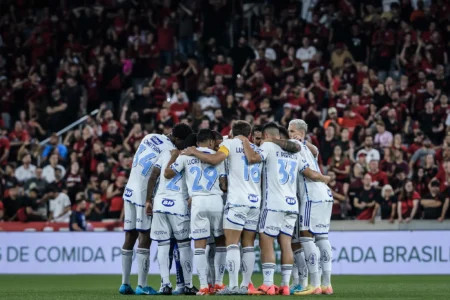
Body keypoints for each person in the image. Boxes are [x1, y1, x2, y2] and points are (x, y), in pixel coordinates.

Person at [182, 121, 301, 295]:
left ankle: (233, 285)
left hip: (237, 202)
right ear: (250, 134)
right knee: (248, 246)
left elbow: (215, 159)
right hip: (255, 203)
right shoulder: (256, 148)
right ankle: (246, 285)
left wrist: (193, 151)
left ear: (232, 132)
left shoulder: (228, 144)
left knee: (232, 245)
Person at [238, 122, 330, 296]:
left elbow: (253, 159)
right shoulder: (294, 152)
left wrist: (243, 142)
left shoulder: (268, 147)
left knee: (266, 241)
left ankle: (268, 284)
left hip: (273, 203)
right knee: (286, 243)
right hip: (292, 204)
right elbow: (309, 172)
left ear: (266, 136)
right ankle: (286, 285)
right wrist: (324, 178)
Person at [119, 123, 193, 296]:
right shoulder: (169, 150)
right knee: (145, 238)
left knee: (129, 236)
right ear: (177, 139)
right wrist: (149, 199)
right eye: (183, 142)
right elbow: (160, 173)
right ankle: (142, 285)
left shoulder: (149, 136)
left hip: (129, 190)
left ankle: (124, 283)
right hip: (143, 194)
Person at [165, 129, 227, 296]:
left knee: (199, 246)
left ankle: (203, 286)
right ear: (210, 142)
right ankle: (219, 284)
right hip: (216, 201)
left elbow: (168, 173)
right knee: (220, 242)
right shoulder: (217, 156)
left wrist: (174, 156)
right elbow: (224, 184)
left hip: (198, 201)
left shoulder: (185, 156)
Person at [287, 119, 334, 296]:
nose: (288, 134)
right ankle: (326, 284)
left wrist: (323, 177)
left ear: (298, 132)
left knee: (306, 238)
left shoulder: (294, 146)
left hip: (310, 196)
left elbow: (307, 172)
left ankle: (314, 284)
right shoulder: (308, 147)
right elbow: (316, 150)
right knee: (322, 238)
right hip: (325, 196)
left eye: (291, 131)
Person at [146, 138, 198, 295]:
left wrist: (148, 200)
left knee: (162, 245)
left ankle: (165, 284)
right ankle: (188, 285)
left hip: (160, 204)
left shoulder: (164, 154)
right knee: (184, 245)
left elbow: (153, 175)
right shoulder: (192, 157)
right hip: (179, 206)